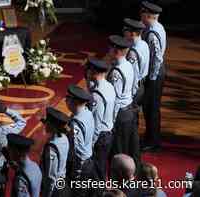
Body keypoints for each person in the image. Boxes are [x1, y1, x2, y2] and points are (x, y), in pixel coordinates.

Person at [107, 35, 140, 172]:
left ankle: (120, 185)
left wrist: (111, 121)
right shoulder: (128, 65)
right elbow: (134, 87)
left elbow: (114, 99)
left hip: (120, 114)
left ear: (116, 50)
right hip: (130, 110)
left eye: (111, 48)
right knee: (131, 149)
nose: (109, 50)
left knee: (119, 153)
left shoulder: (116, 72)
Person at [140, 1, 167, 152]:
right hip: (156, 72)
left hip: (155, 74)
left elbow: (156, 57)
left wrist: (151, 77)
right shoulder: (157, 27)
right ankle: (151, 137)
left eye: (142, 13)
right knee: (151, 108)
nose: (140, 16)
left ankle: (153, 141)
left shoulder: (152, 34)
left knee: (151, 108)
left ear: (148, 15)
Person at [86, 58, 116, 181]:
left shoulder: (97, 95)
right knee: (101, 168)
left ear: (93, 72)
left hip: (100, 137)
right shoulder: (109, 86)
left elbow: (96, 123)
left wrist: (91, 143)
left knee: (97, 172)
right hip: (108, 132)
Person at [65, 84, 97, 197]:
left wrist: (77, 173)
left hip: (80, 166)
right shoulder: (87, 113)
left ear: (73, 101)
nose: (65, 100)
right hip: (89, 160)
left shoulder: (76, 124)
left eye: (67, 98)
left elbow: (78, 151)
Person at [40, 107, 70, 197]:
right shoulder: (64, 138)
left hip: (55, 191)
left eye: (47, 124)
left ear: (52, 126)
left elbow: (51, 176)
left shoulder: (52, 147)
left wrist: (47, 194)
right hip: (63, 184)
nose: (45, 125)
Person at [123, 18, 150, 105]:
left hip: (135, 88)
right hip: (142, 85)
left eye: (126, 31)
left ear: (132, 33)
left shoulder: (133, 53)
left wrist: (131, 94)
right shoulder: (144, 44)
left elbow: (134, 74)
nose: (124, 33)